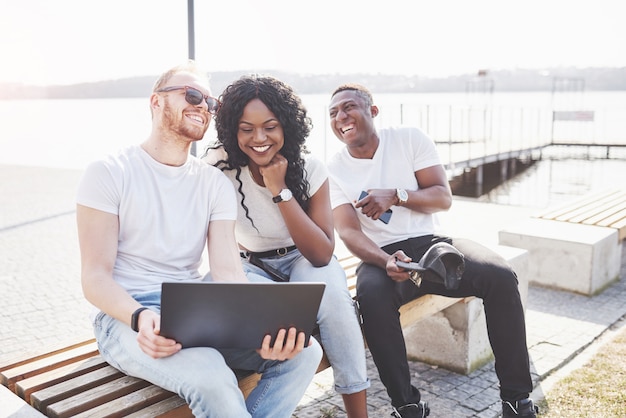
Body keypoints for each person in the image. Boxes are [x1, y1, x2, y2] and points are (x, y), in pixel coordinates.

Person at [75, 61, 322, 418]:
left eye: (210, 102)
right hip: (125, 317)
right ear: (155, 101)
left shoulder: (213, 183)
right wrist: (141, 316)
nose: (202, 106)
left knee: (305, 351)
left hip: (193, 313)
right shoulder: (110, 172)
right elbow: (94, 277)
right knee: (211, 373)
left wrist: (258, 331)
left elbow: (227, 272)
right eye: (191, 94)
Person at [325, 83, 538, 418]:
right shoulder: (333, 169)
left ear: (373, 111)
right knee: (371, 299)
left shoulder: (409, 138)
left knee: (500, 276)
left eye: (349, 107)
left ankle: (517, 399)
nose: (341, 117)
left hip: (432, 244)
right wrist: (385, 260)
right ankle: (407, 406)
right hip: (382, 257)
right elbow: (348, 231)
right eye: (333, 112)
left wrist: (396, 195)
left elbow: (443, 197)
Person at [202, 74, 370, 418]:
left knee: (335, 298)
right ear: (233, 129)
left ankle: (358, 414)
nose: (259, 138)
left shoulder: (310, 167)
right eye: (246, 128)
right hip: (248, 265)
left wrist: (280, 190)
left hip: (301, 259)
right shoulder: (218, 166)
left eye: (270, 126)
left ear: (287, 127)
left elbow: (322, 252)